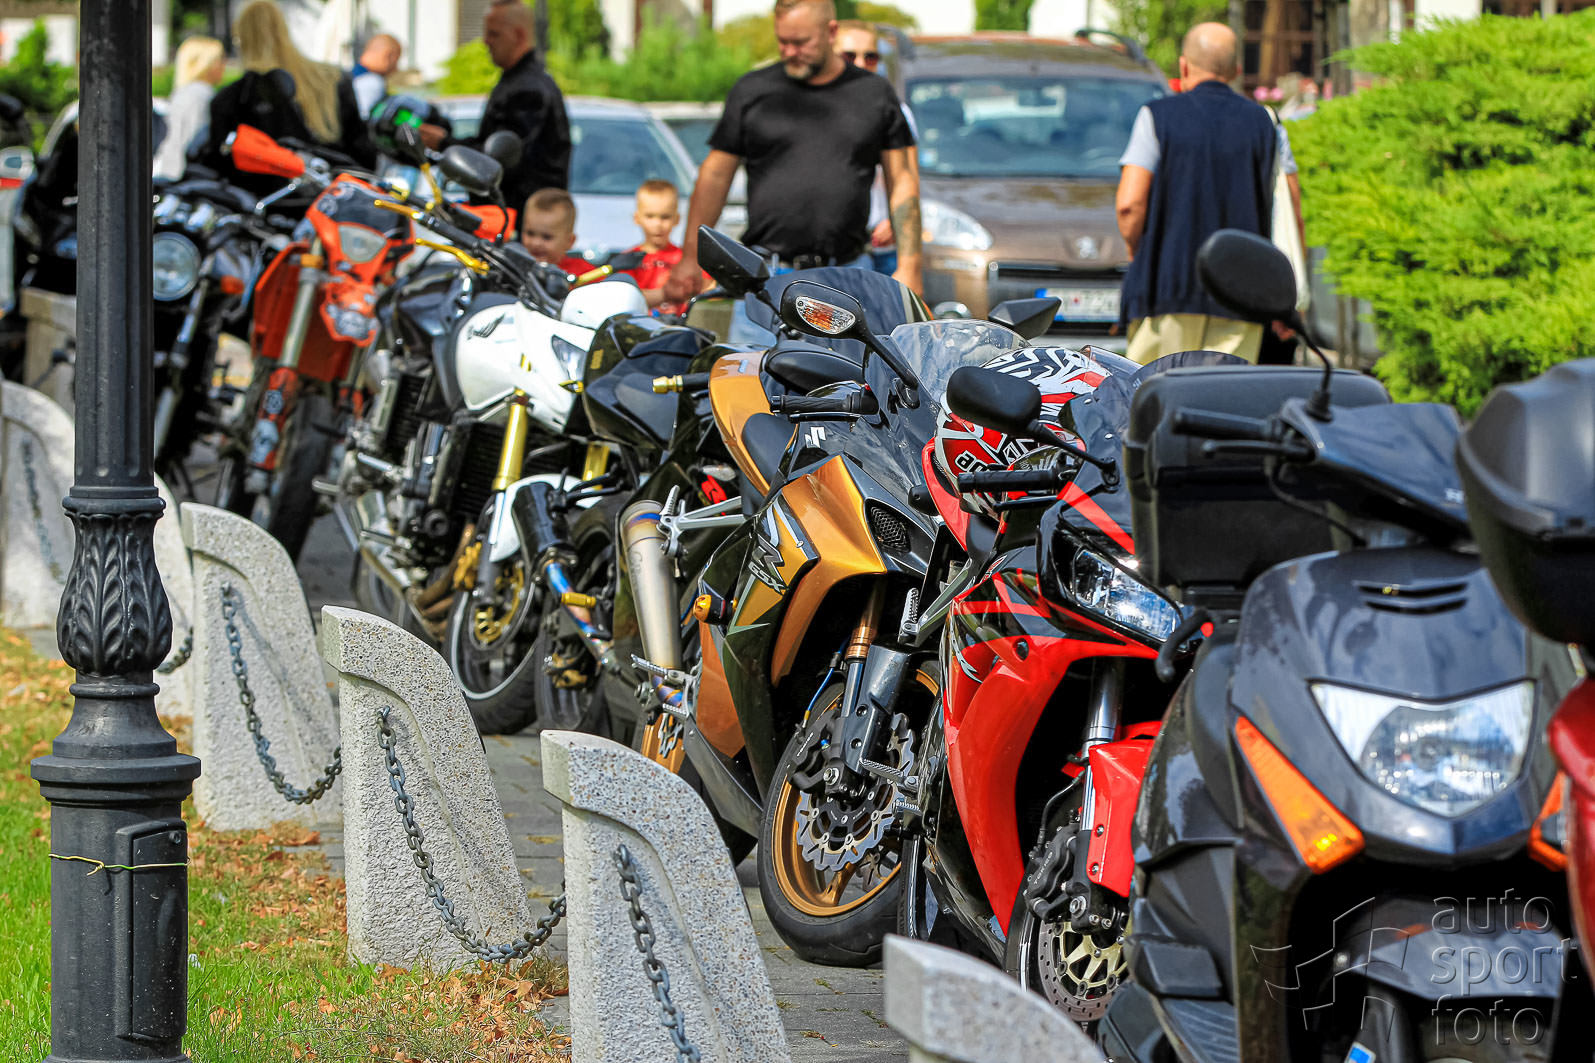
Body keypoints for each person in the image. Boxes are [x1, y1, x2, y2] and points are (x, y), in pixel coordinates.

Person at [663, 0, 922, 304]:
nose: (789, 52)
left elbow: (901, 179)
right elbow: (715, 175)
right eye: (782, 41)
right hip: (767, 277)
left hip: (848, 274)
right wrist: (690, 257)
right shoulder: (753, 90)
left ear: (831, 32)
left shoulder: (874, 94)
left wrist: (910, 265)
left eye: (800, 43)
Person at [1115, 22, 1296, 365]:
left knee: (1156, 389)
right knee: (1224, 395)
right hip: (1242, 297)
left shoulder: (1156, 117)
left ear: (1183, 66)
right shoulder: (1266, 123)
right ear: (1236, 71)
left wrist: (1138, 251)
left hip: (1165, 290)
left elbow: (1129, 204)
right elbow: (1289, 206)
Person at [199, 0, 375, 195]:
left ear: (241, 37)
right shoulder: (330, 78)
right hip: (333, 197)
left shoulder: (235, 97)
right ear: (283, 29)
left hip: (269, 204)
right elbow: (362, 150)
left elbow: (222, 166)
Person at [421, 0, 570, 209]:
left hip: (518, 216)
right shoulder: (518, 81)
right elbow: (492, 147)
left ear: (518, 35)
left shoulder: (528, 89)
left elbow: (501, 158)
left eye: (494, 34)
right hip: (511, 212)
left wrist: (445, 144)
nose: (486, 41)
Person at [835, 19, 919, 276]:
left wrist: (894, 222)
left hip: (884, 247)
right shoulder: (818, 110)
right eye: (849, 56)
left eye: (870, 57)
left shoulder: (895, 110)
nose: (861, 64)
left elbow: (909, 177)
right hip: (839, 252)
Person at [154, 35, 225, 181]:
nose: (224, 65)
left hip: (170, 171)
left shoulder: (183, 93)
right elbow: (196, 142)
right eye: (220, 59)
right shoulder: (201, 95)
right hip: (187, 175)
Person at [620, 179, 690, 312]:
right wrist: (665, 294)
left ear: (677, 219)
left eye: (665, 217)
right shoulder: (627, 260)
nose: (657, 224)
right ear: (637, 218)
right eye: (650, 216)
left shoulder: (686, 259)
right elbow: (624, 299)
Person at [521, 188, 591, 275]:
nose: (535, 243)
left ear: (570, 241)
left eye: (547, 237)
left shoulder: (585, 274)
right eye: (530, 233)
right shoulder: (514, 266)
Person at [350, 32, 402, 119]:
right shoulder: (372, 82)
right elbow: (363, 121)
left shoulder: (352, 77)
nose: (396, 69)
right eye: (396, 61)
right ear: (388, 55)